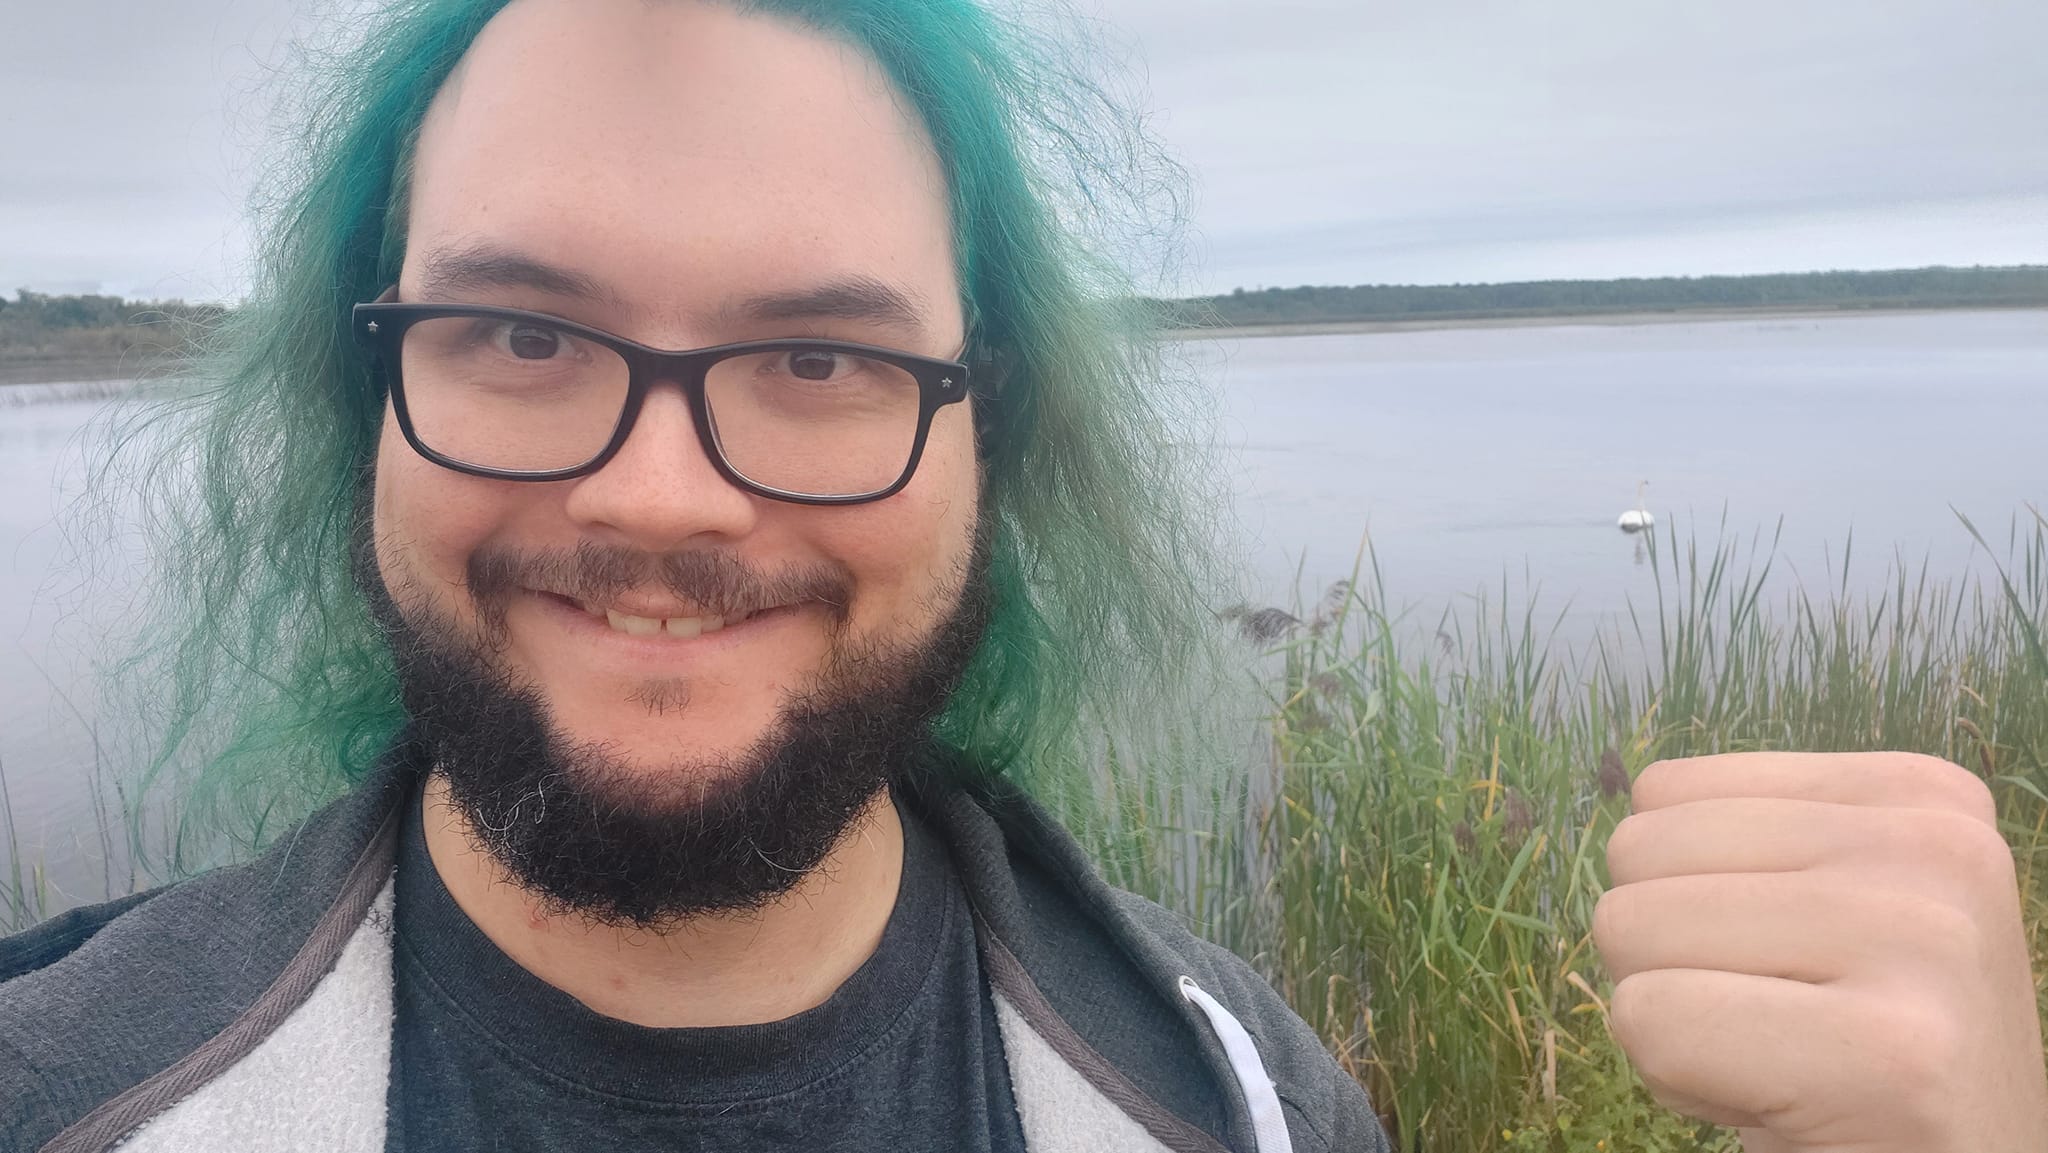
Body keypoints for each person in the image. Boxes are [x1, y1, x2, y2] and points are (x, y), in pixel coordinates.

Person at [1, 1, 2042, 1151]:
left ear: (998, 431)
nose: (668, 494)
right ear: (358, 397)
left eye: (820, 358)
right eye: (521, 337)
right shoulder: (61, 1092)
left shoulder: (1240, 1106)